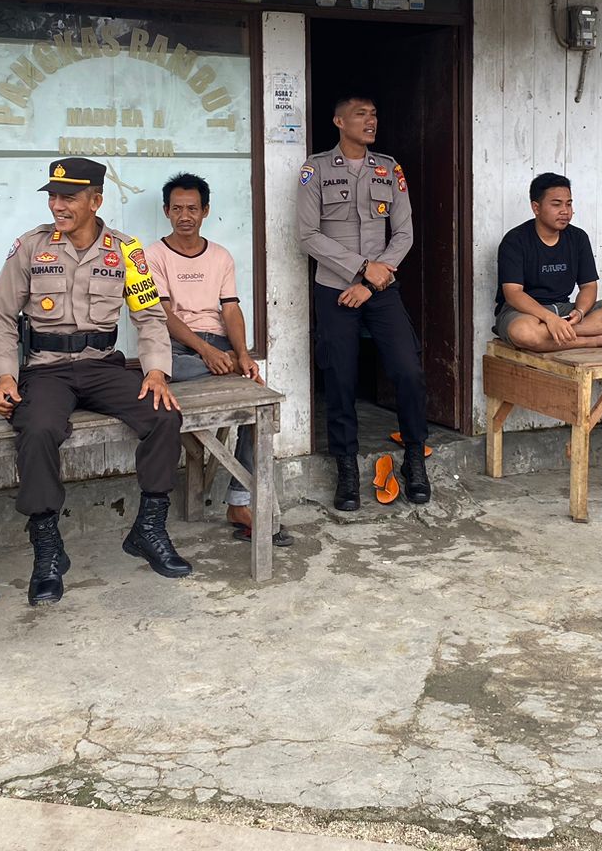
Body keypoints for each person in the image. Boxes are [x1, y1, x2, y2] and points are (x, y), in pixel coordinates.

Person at [0, 157, 188, 605]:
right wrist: (3, 376)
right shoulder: (31, 247)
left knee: (163, 415)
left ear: (96, 201)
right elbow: (1, 315)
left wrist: (156, 370)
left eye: (69, 197)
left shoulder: (126, 251)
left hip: (101, 367)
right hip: (45, 369)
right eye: (53, 197)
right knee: (38, 428)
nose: (57, 205)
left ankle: (149, 528)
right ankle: (47, 548)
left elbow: (150, 316)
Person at [298, 96, 430, 509]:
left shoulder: (389, 169)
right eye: (361, 114)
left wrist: (373, 280)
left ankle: (414, 458)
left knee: (408, 370)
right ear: (339, 121)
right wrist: (361, 268)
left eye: (374, 114)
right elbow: (307, 235)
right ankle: (346, 468)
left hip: (381, 289)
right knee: (340, 378)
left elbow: (404, 234)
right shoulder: (316, 169)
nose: (370, 120)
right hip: (335, 289)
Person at [146, 172, 290, 547]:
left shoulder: (220, 256)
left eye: (192, 208)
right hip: (176, 349)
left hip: (219, 347)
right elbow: (164, 315)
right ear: (166, 211)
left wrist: (241, 355)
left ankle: (239, 504)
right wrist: (208, 353)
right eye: (177, 209)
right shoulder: (154, 255)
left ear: (205, 211)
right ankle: (225, 372)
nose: (185, 216)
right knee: (165, 368)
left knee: (256, 398)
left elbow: (230, 310)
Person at [494, 173, 602, 351]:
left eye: (568, 204)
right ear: (536, 207)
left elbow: (589, 286)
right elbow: (513, 293)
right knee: (524, 332)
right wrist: (549, 319)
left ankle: (556, 334)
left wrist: (580, 312)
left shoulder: (578, 237)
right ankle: (591, 340)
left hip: (565, 310)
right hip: (525, 313)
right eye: (556, 204)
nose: (565, 211)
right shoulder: (515, 240)